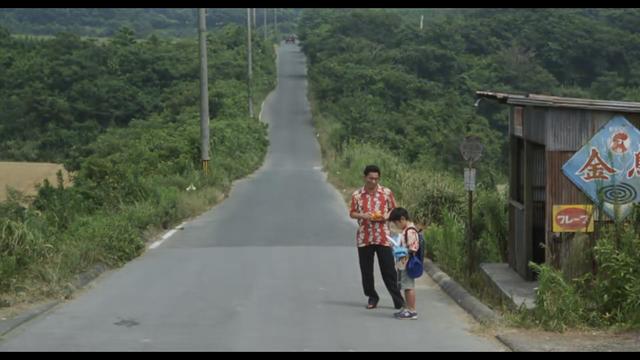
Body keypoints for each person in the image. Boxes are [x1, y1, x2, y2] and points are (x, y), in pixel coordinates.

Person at [349, 165, 404, 310]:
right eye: (370, 178)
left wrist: (386, 216)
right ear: (365, 177)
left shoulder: (386, 193)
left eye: (376, 178)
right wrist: (363, 216)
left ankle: (398, 300)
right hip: (364, 237)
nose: (373, 181)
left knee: (388, 270)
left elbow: (394, 208)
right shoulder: (357, 195)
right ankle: (372, 296)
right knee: (366, 271)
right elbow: (352, 213)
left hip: (383, 236)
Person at [388, 207, 420, 320]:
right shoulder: (406, 230)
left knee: (408, 287)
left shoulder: (410, 231)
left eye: (396, 223)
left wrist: (402, 250)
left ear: (402, 219)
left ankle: (412, 310)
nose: (396, 226)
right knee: (404, 285)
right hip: (403, 262)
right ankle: (407, 308)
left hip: (408, 262)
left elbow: (414, 247)